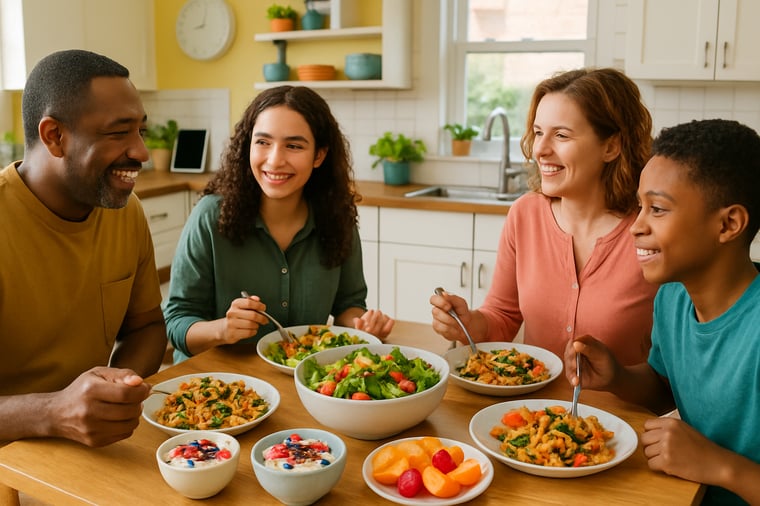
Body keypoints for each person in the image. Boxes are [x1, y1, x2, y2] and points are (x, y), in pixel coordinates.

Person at [567, 119, 760, 505]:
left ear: (728, 224)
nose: (636, 227)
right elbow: (665, 389)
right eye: (640, 207)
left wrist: (719, 465)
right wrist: (618, 376)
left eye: (657, 209)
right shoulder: (672, 298)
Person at [431, 68, 658, 365]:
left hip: (620, 412)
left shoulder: (651, 231)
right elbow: (503, 315)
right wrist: (468, 323)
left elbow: (673, 356)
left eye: (561, 135)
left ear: (611, 146)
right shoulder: (525, 215)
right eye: (538, 133)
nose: (540, 149)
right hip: (533, 409)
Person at [0, 50, 167, 447]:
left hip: (93, 448)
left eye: (140, 131)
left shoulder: (125, 212)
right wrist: (54, 411)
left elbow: (147, 327)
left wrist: (117, 387)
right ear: (54, 136)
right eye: (117, 133)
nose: (141, 152)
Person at [164, 85, 394, 363]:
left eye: (294, 146)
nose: (275, 160)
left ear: (319, 155)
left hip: (301, 379)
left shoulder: (337, 218)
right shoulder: (210, 215)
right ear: (248, 145)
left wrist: (363, 324)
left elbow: (349, 305)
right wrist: (222, 330)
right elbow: (176, 322)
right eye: (263, 142)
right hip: (214, 385)